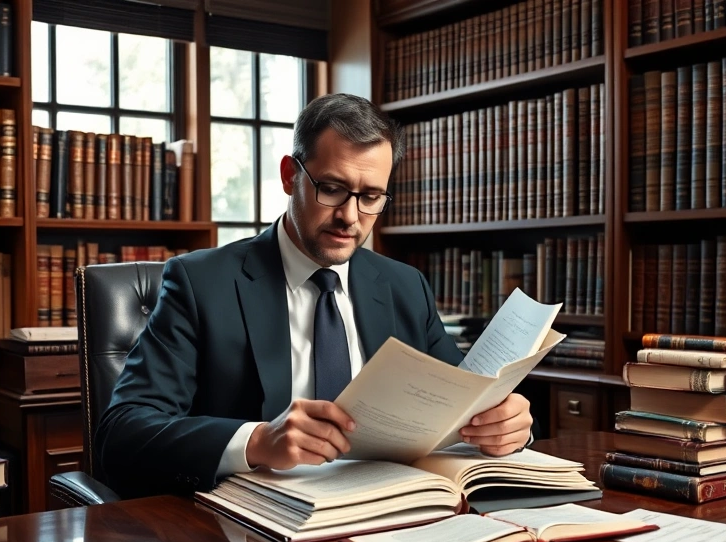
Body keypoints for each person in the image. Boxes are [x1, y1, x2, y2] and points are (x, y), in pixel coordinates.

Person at [96, 93, 534, 498]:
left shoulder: (405, 286)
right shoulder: (200, 283)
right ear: (291, 176)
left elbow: (462, 404)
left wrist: (503, 424)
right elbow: (123, 433)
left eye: (371, 197)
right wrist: (257, 441)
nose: (350, 217)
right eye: (332, 188)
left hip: (393, 510)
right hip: (255, 530)